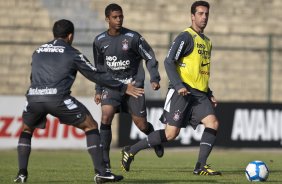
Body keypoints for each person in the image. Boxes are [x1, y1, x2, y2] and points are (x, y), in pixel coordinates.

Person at [13, 19, 145, 184]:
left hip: (34, 96)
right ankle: (102, 172)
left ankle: (21, 174)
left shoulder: (38, 51)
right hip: (58, 98)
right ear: (70, 36)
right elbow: (95, 74)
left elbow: (32, 76)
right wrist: (122, 87)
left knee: (26, 130)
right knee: (91, 126)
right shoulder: (71, 52)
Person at [121, 1, 222, 176]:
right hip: (181, 92)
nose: (204, 17)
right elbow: (169, 61)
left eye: (206, 14)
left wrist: (209, 93)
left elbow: (201, 71)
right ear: (192, 16)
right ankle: (131, 150)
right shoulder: (185, 37)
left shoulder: (207, 42)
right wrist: (178, 85)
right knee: (170, 134)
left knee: (213, 123)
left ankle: (200, 166)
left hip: (199, 94)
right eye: (200, 13)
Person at [93, 3, 164, 172]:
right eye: (115, 17)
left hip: (134, 87)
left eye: (121, 17)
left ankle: (153, 136)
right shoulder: (99, 41)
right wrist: (97, 90)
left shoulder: (133, 38)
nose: (118, 20)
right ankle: (105, 161)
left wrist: (154, 77)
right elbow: (99, 68)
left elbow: (149, 56)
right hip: (112, 88)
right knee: (106, 116)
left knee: (142, 125)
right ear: (107, 19)